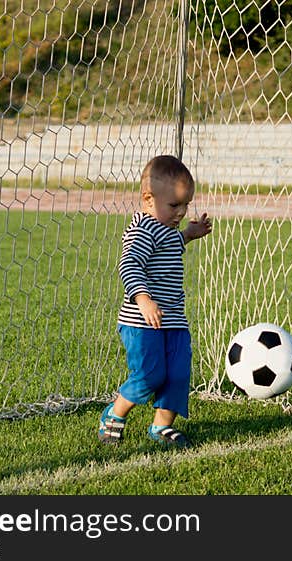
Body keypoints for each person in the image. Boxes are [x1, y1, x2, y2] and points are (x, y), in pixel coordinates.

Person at [98, 154, 212, 447]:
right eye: (174, 205)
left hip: (173, 320)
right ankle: (115, 413)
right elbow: (130, 264)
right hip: (142, 320)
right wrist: (144, 299)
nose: (180, 211)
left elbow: (173, 244)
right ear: (148, 200)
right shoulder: (142, 230)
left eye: (186, 205)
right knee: (150, 374)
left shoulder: (168, 231)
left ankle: (162, 426)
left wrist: (190, 233)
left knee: (176, 375)